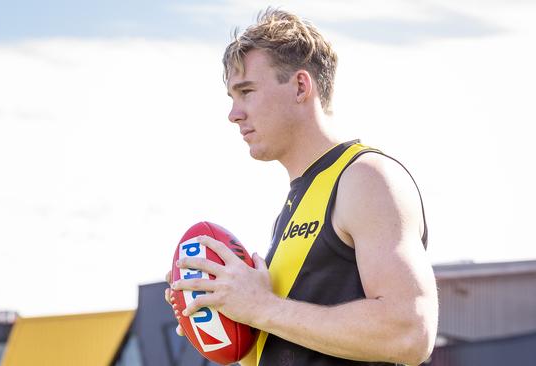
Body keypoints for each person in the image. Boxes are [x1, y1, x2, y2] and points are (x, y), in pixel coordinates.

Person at [166, 8, 438, 366]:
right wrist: (224, 312)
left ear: (300, 86)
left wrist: (260, 307)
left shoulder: (365, 177)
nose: (234, 113)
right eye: (232, 98)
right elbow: (292, 334)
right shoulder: (294, 208)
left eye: (246, 91)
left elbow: (409, 332)